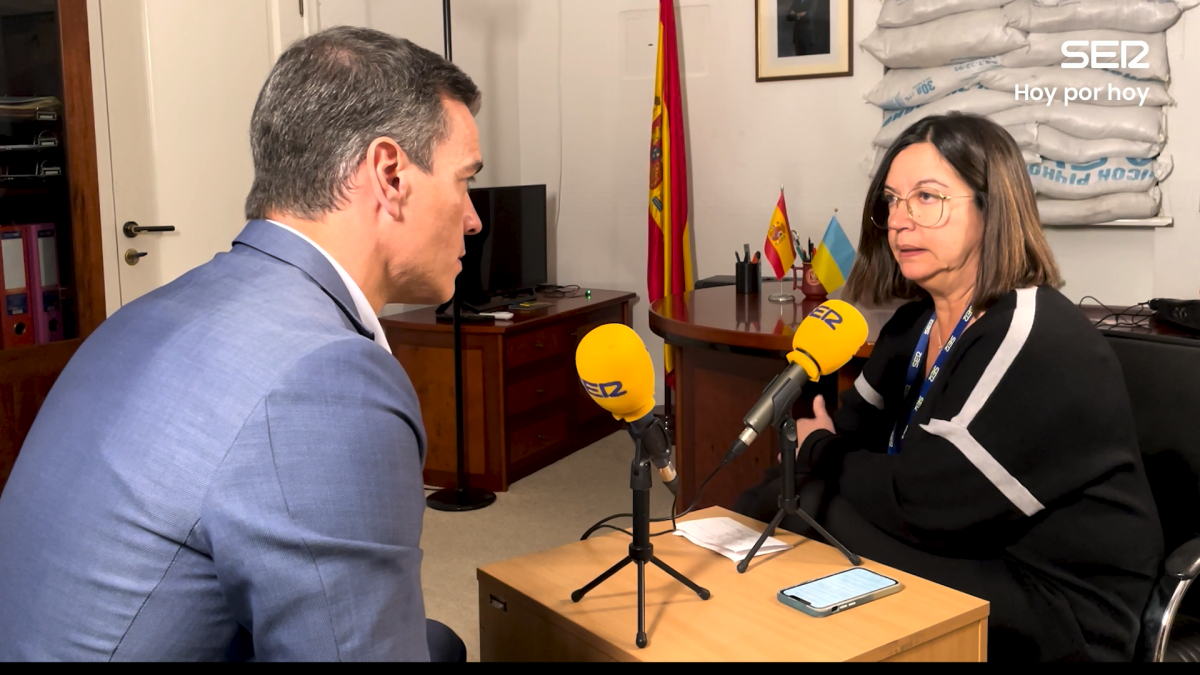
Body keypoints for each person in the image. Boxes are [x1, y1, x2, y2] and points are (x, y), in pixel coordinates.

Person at [0, 26, 482, 661]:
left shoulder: (150, 312)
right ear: (389, 173)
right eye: (465, 180)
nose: (473, 216)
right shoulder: (328, 378)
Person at [734, 113, 1163, 661]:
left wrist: (818, 448)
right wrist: (804, 468)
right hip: (962, 545)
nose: (899, 222)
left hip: (1060, 601)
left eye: (927, 198)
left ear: (992, 208)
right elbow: (847, 443)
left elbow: (924, 502)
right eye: (891, 201)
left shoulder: (1034, 334)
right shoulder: (911, 327)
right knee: (792, 507)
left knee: (812, 510)